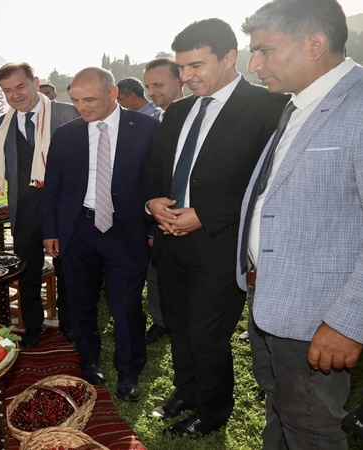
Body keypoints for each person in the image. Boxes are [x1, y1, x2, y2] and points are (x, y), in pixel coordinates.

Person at [144, 18, 287, 437]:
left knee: (207, 334)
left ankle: (213, 410)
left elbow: (265, 183)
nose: (185, 77)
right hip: (170, 242)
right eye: (181, 68)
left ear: (229, 57)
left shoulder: (270, 106)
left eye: (195, 66)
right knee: (179, 325)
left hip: (220, 244)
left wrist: (204, 214)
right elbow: (155, 166)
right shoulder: (179, 110)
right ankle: (186, 392)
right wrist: (152, 201)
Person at [238, 0, 363, 447]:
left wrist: (350, 322)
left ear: (315, 44)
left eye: (264, 50)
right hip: (271, 298)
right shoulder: (298, 105)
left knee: (313, 427)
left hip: (319, 317)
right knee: (281, 408)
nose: (253, 65)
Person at [42, 67, 159, 401]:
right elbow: (54, 187)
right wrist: (51, 229)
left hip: (127, 230)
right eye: (76, 100)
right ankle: (89, 359)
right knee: (80, 300)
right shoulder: (66, 135)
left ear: (113, 93)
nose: (82, 107)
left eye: (89, 99)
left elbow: (158, 181)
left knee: (126, 304)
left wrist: (152, 227)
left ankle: (129, 370)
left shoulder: (148, 128)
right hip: (78, 229)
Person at [0, 62, 78, 348]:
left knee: (67, 269)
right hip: (25, 211)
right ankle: (32, 325)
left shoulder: (66, 113)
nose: (15, 95)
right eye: (7, 90)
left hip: (64, 208)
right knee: (27, 271)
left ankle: (70, 323)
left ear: (35, 82)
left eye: (19, 86)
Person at [141, 58, 187, 344]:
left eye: (158, 85)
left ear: (180, 80)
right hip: (158, 213)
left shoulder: (199, 117)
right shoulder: (155, 119)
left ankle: (181, 321)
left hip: (190, 215)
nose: (151, 92)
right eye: (147, 86)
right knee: (156, 272)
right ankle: (161, 321)